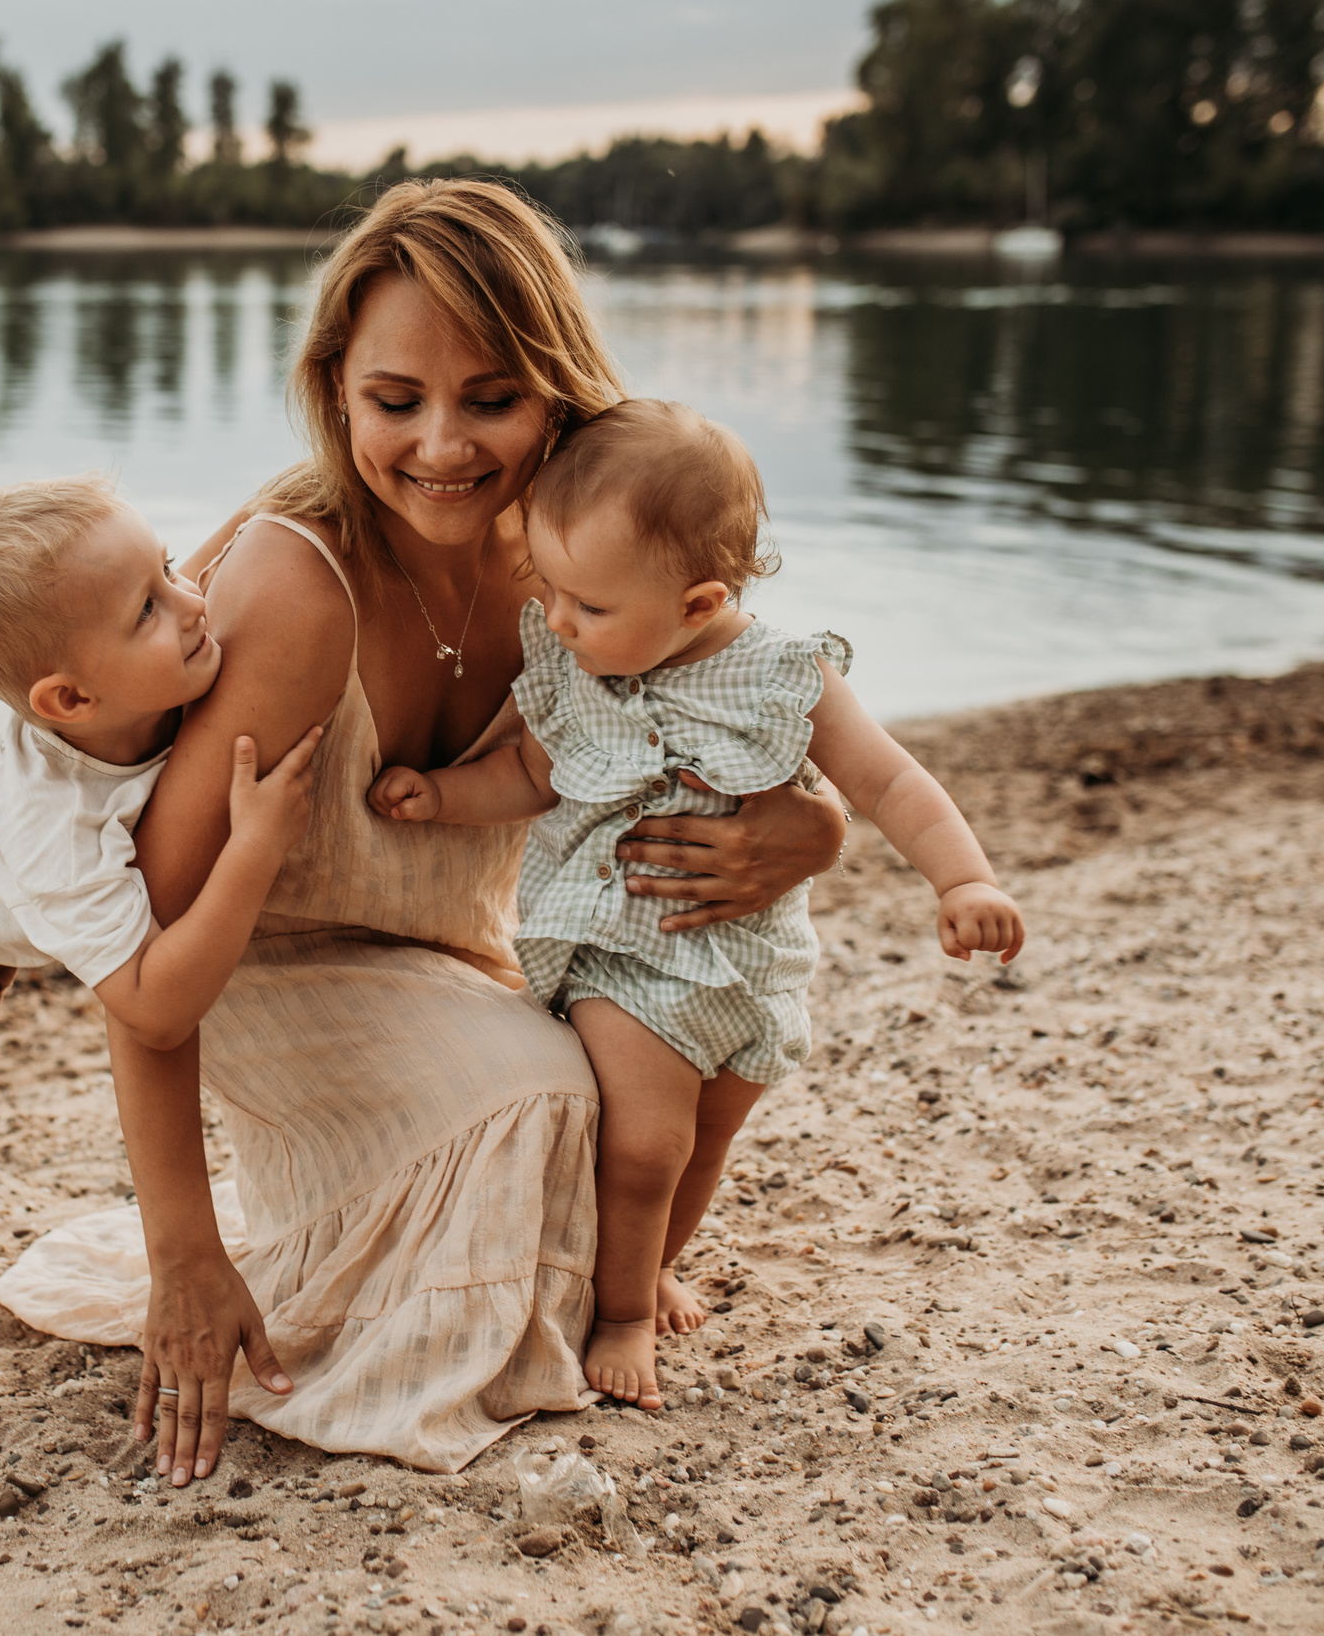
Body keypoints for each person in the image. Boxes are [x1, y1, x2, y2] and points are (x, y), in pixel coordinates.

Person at [0, 182, 848, 1477]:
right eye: (395, 400)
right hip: (259, 973)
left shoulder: (578, 560)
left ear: (556, 391)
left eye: (490, 398)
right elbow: (143, 939)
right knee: (542, 1104)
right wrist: (181, 1249)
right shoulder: (298, 582)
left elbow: (747, 701)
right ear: (336, 391)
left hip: (465, 959)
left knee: (645, 1083)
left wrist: (816, 825)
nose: (441, 445)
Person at [369, 398, 1026, 1409]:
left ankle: (657, 1261)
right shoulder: (579, 665)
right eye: (551, 589)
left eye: (588, 606)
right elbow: (532, 775)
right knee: (645, 1144)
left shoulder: (782, 675)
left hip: (749, 963)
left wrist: (965, 878)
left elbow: (891, 781)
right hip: (621, 947)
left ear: (697, 602)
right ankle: (622, 1312)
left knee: (705, 1138)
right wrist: (444, 796)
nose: (557, 620)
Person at [0, 475, 321, 1444]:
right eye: (151, 607)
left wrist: (277, 504)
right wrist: (252, 850)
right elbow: (152, 1005)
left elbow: (216, 560)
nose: (193, 599)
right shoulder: (51, 818)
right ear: (69, 698)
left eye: (169, 567)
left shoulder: (132, 669)